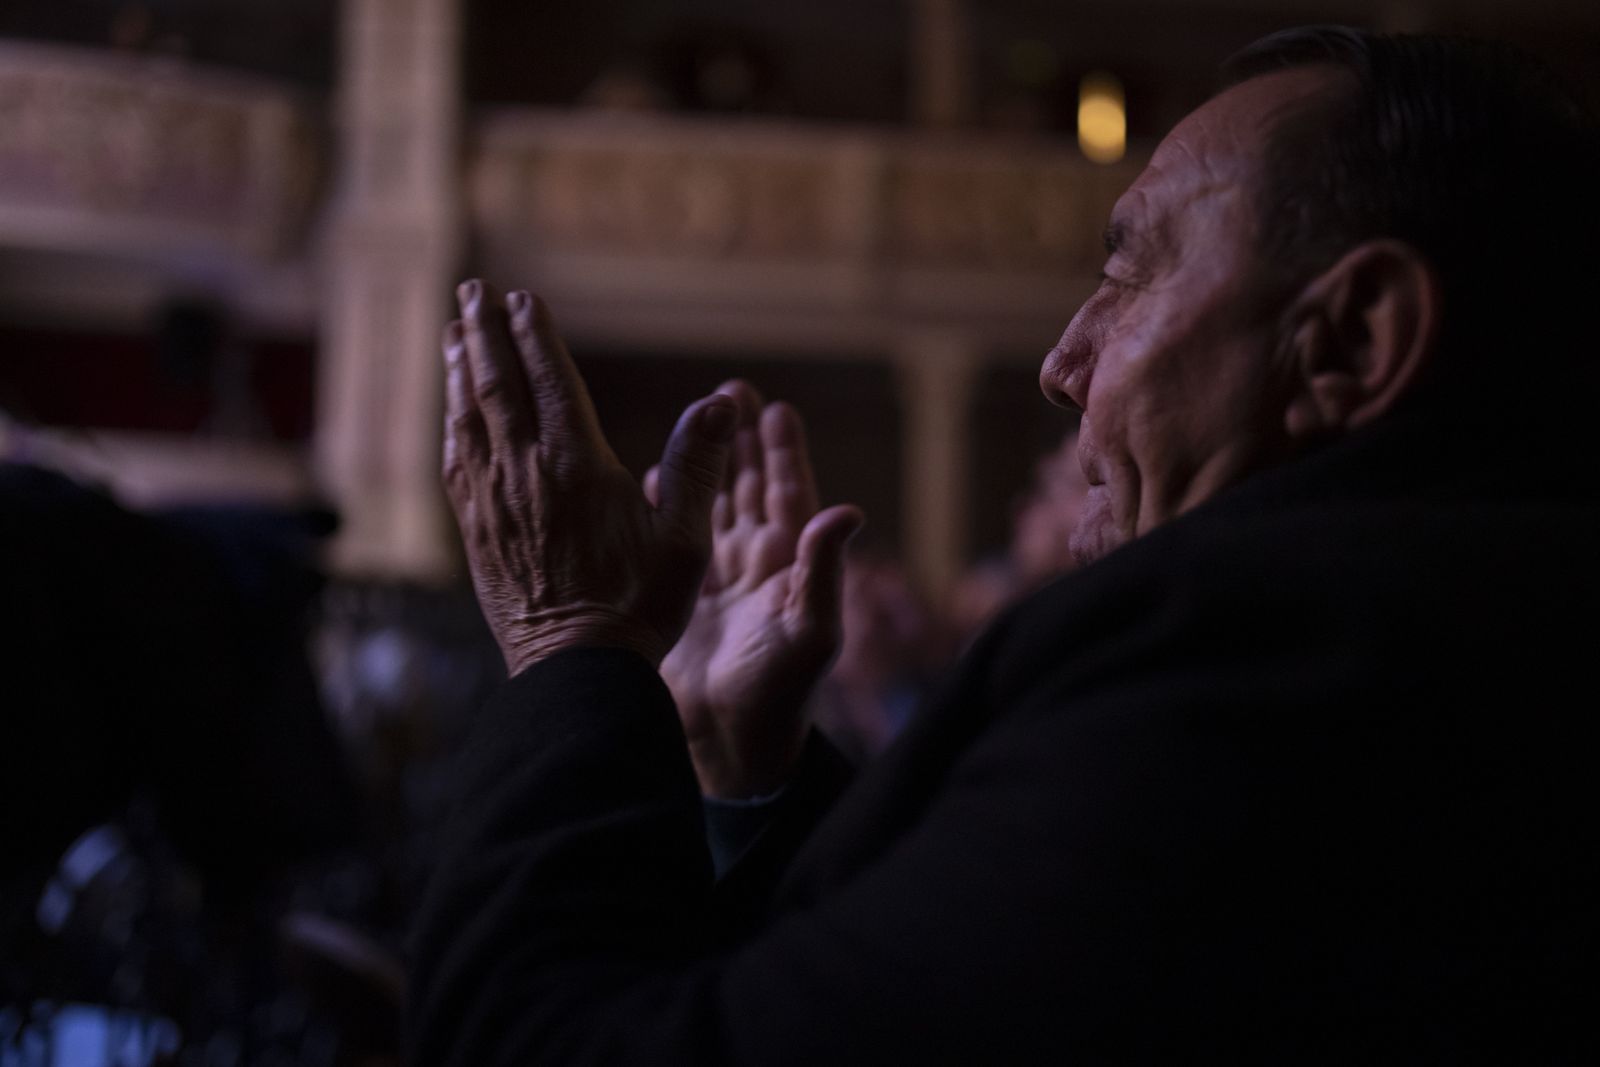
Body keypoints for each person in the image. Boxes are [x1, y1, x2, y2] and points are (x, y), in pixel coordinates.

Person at [410, 27, 1600, 1063]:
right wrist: (748, 761)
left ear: (1349, 340)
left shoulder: (1264, 657)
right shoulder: (1446, 620)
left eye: (1128, 272)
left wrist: (568, 639)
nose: (1061, 363)